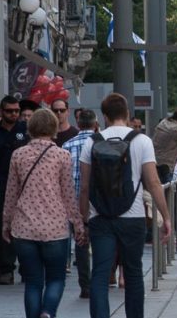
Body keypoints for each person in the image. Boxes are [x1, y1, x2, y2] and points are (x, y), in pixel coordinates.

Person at [79, 92, 171, 318]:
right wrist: (166, 216)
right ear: (128, 114)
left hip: (100, 217)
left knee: (100, 274)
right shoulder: (142, 141)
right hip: (133, 217)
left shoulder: (91, 142)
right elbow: (153, 182)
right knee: (133, 273)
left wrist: (83, 220)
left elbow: (84, 187)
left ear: (104, 116)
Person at [2, 109, 86, 318]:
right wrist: (78, 224)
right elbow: (68, 193)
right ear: (54, 128)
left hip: (25, 227)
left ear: (30, 128)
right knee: (56, 279)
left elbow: (11, 192)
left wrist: (6, 222)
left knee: (32, 281)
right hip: (55, 228)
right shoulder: (62, 155)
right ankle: (48, 312)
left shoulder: (18, 155)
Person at [0, 95, 29, 285]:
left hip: (23, 184)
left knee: (25, 225)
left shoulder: (25, 131)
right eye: (9, 111)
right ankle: (4, 268)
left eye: (16, 111)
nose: (14, 114)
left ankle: (26, 268)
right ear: (3, 112)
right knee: (0, 226)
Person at [61, 109, 98, 299]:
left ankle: (86, 285)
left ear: (78, 123)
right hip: (99, 203)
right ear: (95, 123)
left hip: (73, 203)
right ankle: (101, 280)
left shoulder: (67, 145)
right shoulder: (102, 144)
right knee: (100, 242)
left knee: (81, 243)